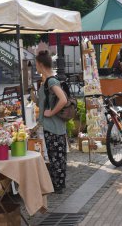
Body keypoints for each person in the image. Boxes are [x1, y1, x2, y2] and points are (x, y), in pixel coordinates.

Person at [35, 50, 68, 194]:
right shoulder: (47, 81)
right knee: (57, 156)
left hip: (54, 126)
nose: (35, 67)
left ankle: (58, 186)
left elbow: (63, 100)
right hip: (53, 126)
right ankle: (58, 184)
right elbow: (45, 103)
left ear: (41, 64)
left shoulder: (51, 81)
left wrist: (51, 112)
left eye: (36, 64)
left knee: (57, 157)